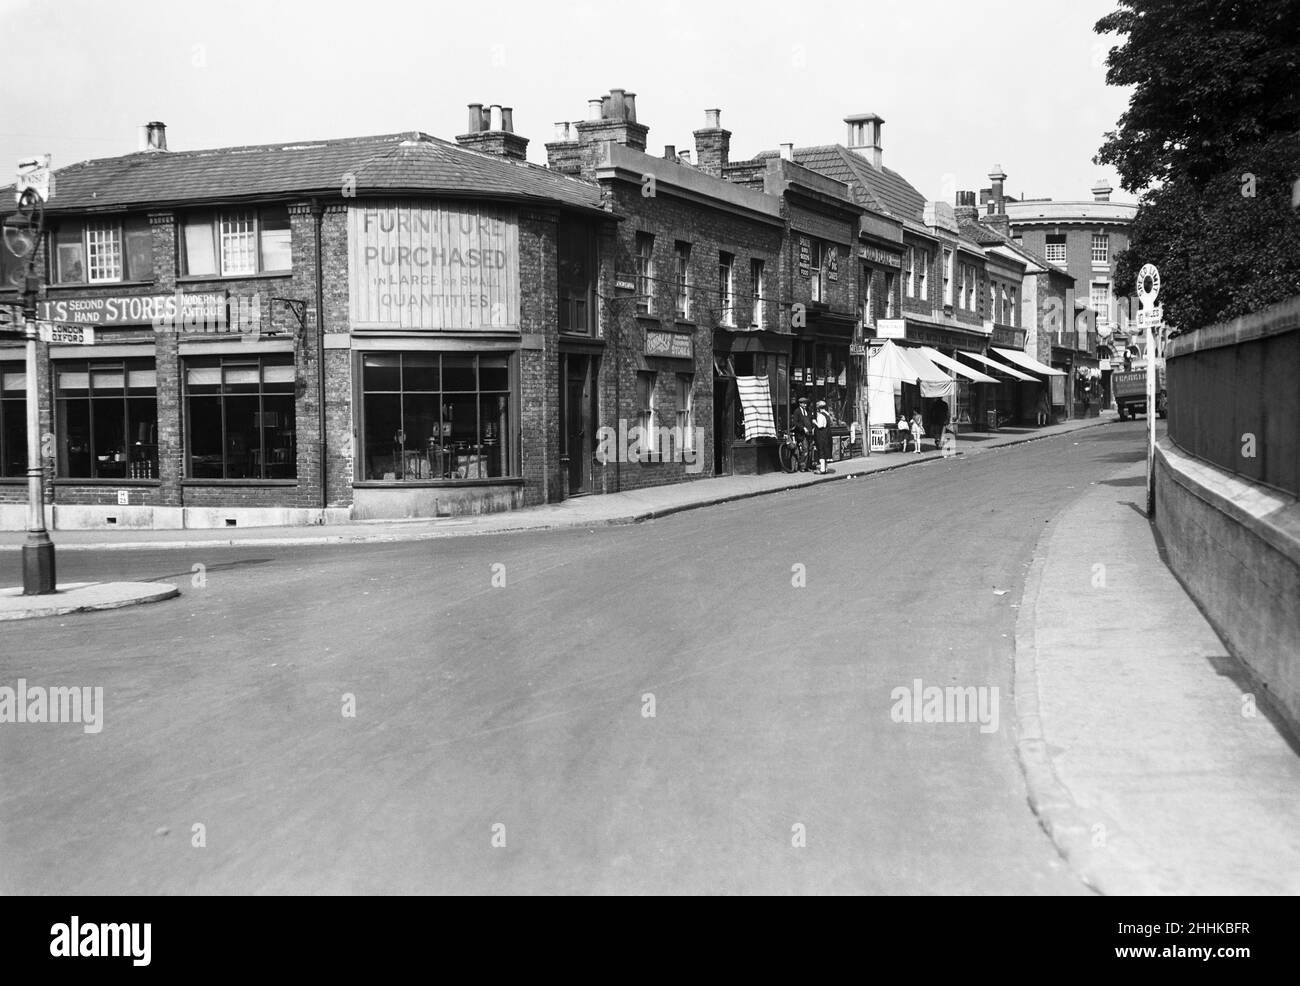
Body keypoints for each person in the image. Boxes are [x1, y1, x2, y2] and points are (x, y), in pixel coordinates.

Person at [793, 396, 814, 471]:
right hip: (802, 434)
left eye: (806, 403)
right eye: (804, 404)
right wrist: (803, 428)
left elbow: (811, 419)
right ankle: (802, 466)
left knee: (810, 449)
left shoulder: (808, 411)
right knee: (805, 449)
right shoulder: (797, 411)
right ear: (800, 404)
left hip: (810, 433)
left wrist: (813, 428)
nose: (805, 405)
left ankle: (808, 466)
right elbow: (795, 422)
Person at [813, 400, 833, 473]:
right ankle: (825, 468)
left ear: (818, 408)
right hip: (827, 434)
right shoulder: (827, 414)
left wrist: (815, 422)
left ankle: (822, 469)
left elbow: (820, 426)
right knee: (826, 450)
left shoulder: (821, 415)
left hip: (821, 435)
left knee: (821, 450)